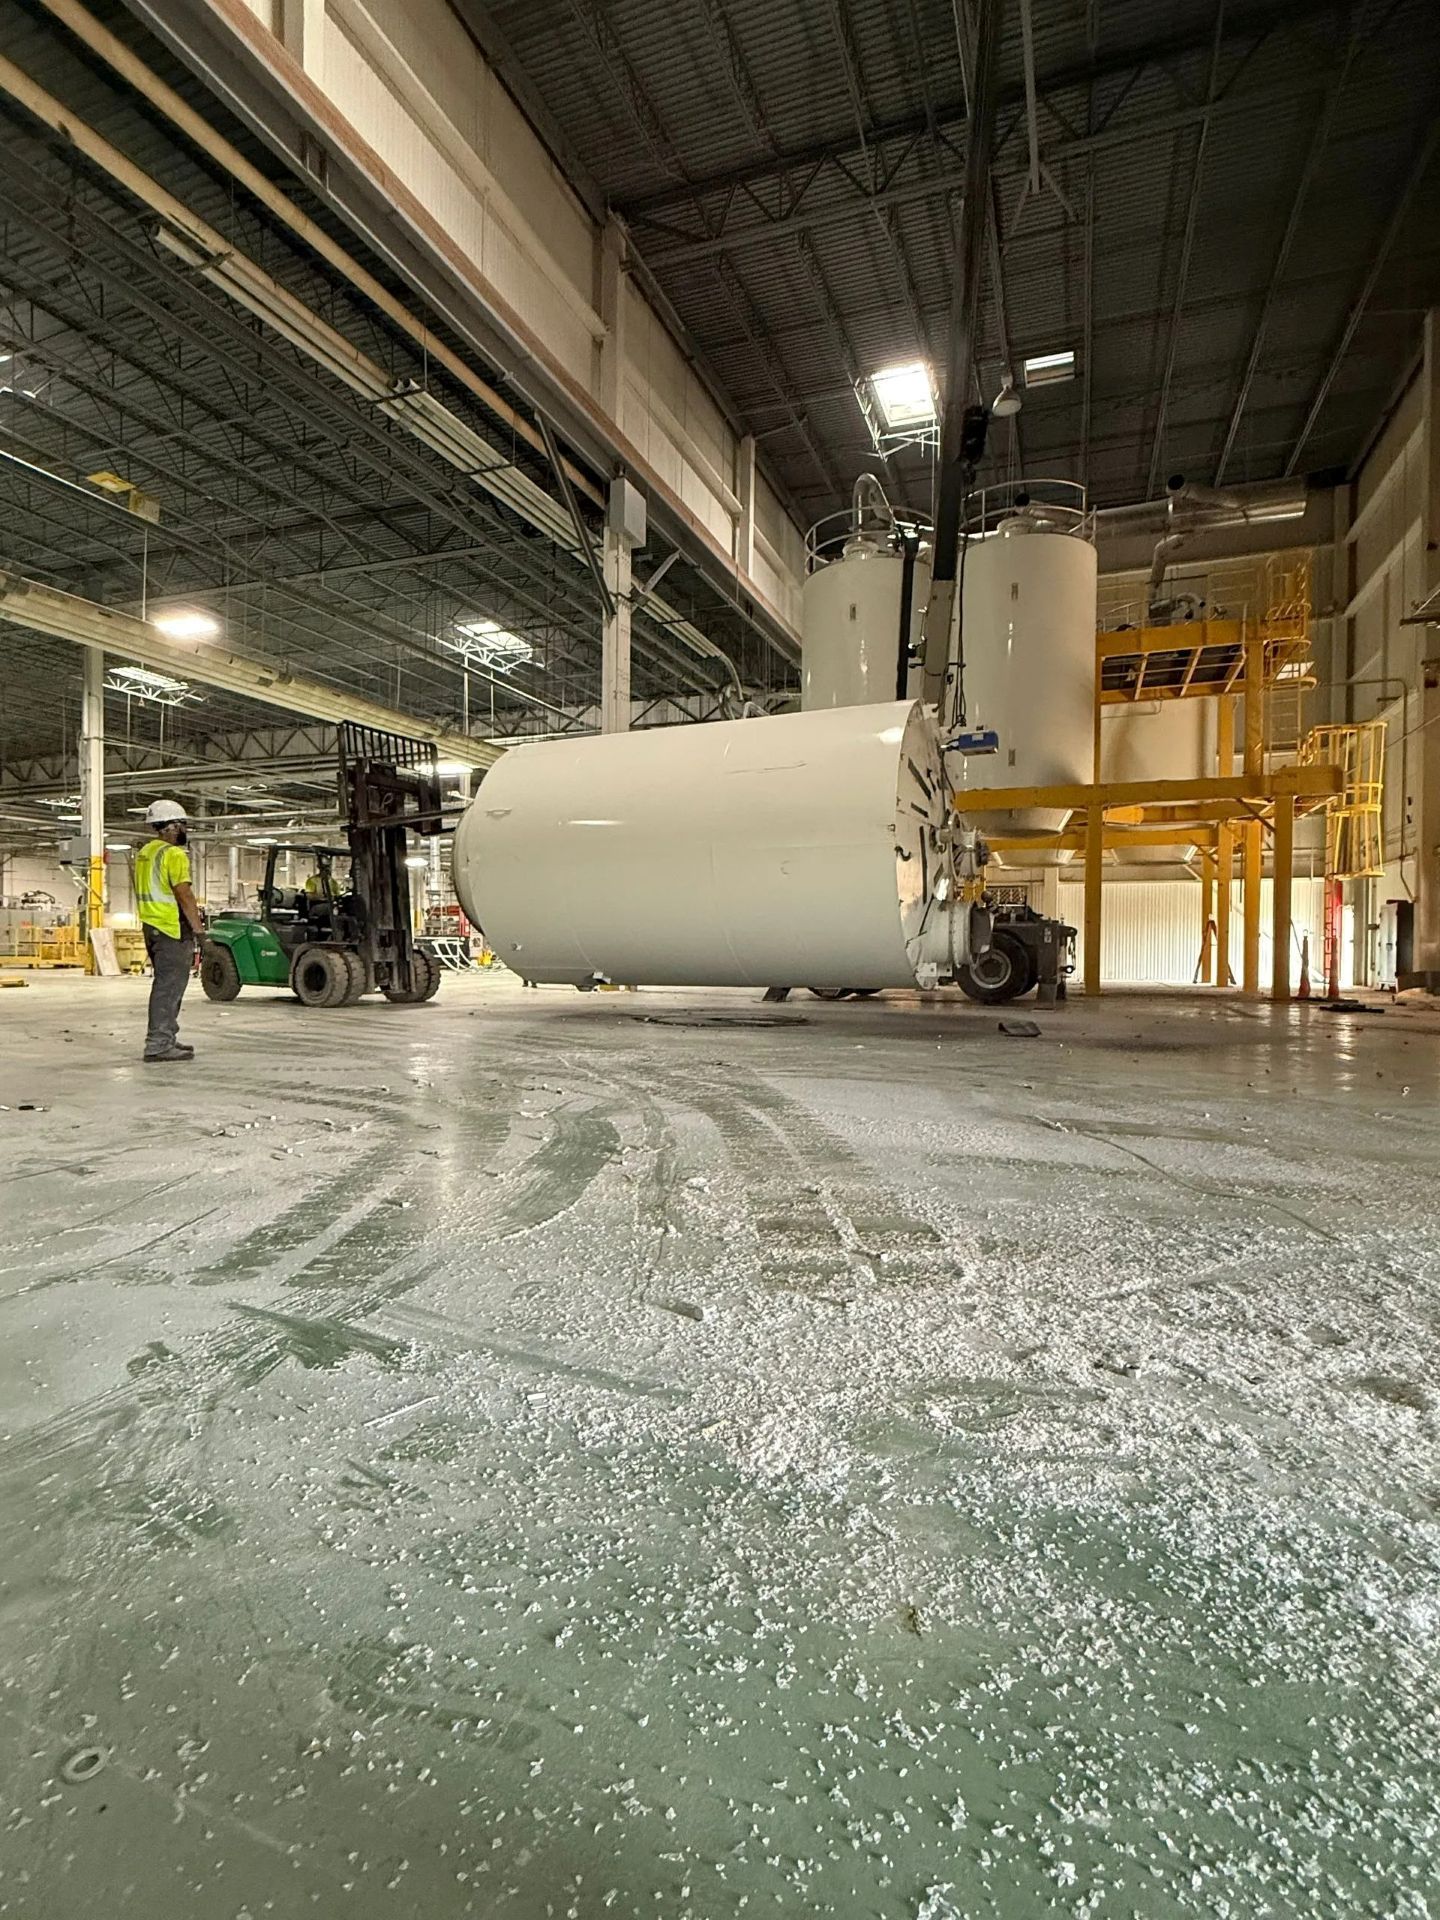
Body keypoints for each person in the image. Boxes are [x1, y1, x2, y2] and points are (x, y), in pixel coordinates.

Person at [135, 799, 205, 1063]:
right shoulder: (173, 854)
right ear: (171, 826)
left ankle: (166, 1037)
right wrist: (199, 931)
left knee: (166, 986)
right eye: (182, 825)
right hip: (170, 928)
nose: (184, 830)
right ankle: (158, 1044)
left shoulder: (146, 852)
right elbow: (184, 895)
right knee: (169, 987)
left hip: (151, 927)